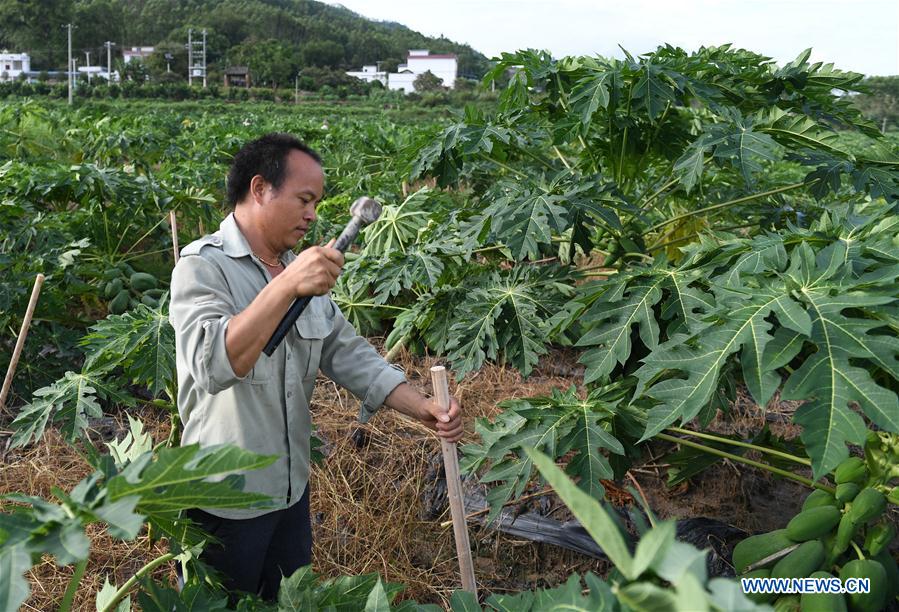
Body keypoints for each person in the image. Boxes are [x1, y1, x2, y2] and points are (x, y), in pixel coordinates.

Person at [169, 132, 463, 601]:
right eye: (304, 200)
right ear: (260, 188)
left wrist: (421, 406)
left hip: (289, 490)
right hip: (223, 498)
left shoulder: (293, 269)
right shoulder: (203, 267)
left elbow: (346, 351)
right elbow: (214, 365)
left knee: (287, 603)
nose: (312, 215)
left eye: (317, 203)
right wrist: (286, 287)